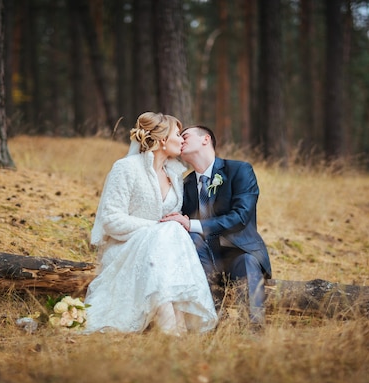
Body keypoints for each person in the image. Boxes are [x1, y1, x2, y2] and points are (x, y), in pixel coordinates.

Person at [84, 113, 218, 335]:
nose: (182, 140)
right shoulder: (126, 168)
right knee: (168, 232)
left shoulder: (175, 176)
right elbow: (110, 220)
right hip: (125, 248)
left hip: (160, 255)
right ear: (163, 140)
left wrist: (166, 229)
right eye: (178, 134)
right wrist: (156, 228)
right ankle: (173, 329)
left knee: (171, 232)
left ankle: (177, 326)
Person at [162, 125, 271, 330]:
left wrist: (192, 224)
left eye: (185, 136)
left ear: (206, 139)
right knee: (191, 242)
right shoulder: (184, 185)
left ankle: (252, 331)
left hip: (237, 251)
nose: (180, 141)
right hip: (200, 254)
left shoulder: (239, 170)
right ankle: (209, 327)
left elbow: (241, 216)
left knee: (247, 261)